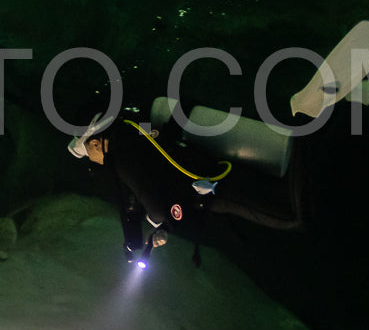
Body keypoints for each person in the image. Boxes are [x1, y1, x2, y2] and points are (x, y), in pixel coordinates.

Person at [68, 102, 310, 266]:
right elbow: (162, 143)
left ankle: (310, 136)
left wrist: (158, 224)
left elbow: (156, 204)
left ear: (95, 143)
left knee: (291, 217)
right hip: (210, 169)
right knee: (276, 195)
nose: (93, 161)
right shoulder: (133, 133)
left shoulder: (121, 160)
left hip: (210, 191)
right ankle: (309, 143)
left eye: (88, 153)